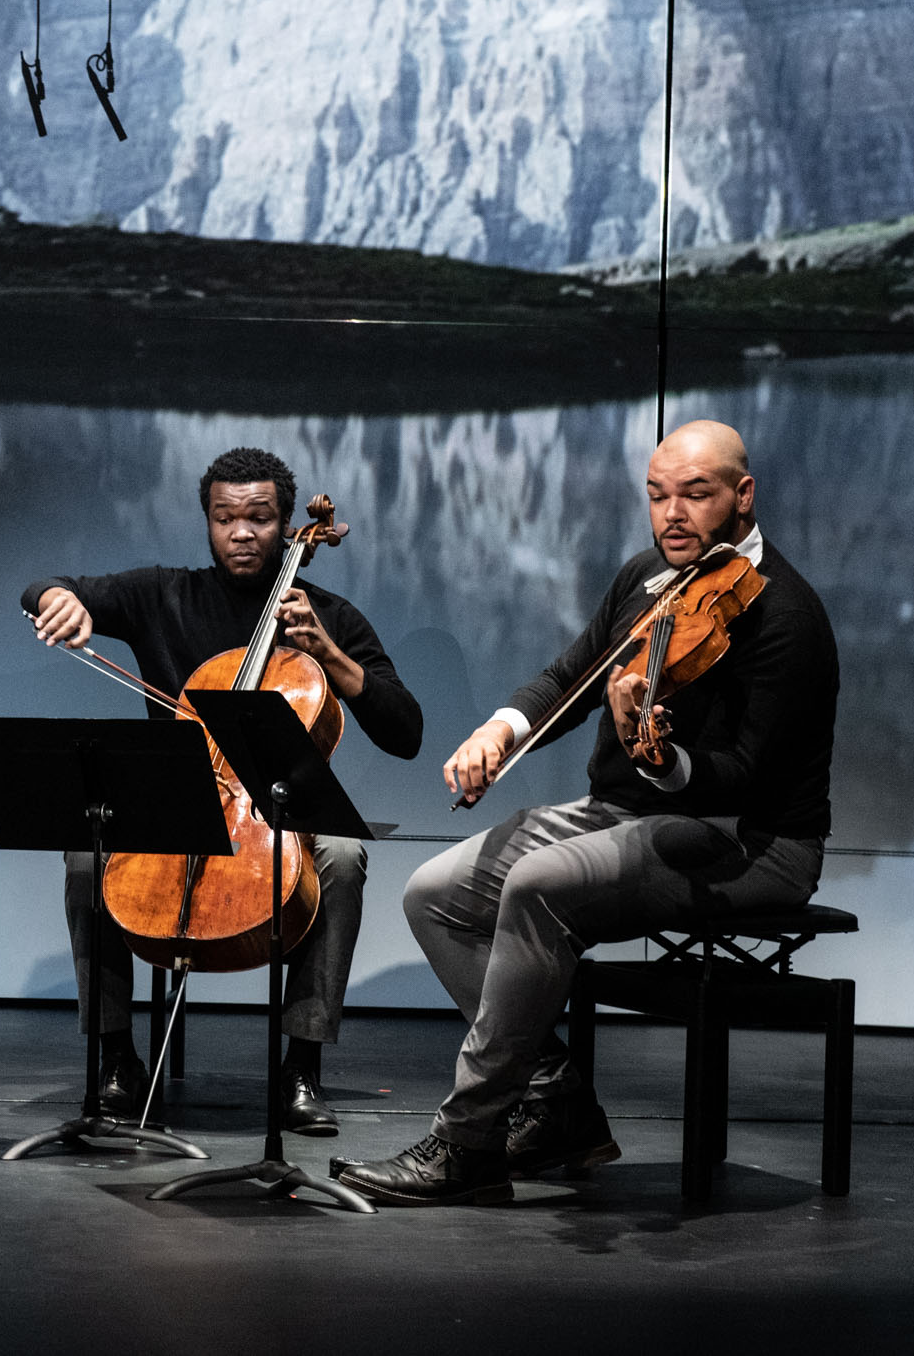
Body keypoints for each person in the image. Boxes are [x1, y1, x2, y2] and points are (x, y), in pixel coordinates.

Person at [337, 420, 838, 1206]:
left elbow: (742, 779)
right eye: (656, 495)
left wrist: (659, 757)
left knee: (538, 884)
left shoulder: (785, 618)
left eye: (694, 495)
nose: (671, 514)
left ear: (743, 496)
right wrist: (498, 733)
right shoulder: (647, 576)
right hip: (621, 815)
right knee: (434, 893)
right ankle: (555, 1094)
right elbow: (569, 677)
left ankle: (468, 1143)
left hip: (750, 842)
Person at [22, 447, 423, 1135]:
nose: (241, 532)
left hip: (279, 810)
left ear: (286, 523)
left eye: (259, 518)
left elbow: (404, 729)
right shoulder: (162, 593)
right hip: (173, 800)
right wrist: (54, 599)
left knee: (343, 857)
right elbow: (42, 584)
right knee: (85, 855)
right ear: (207, 521)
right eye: (224, 517)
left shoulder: (328, 616)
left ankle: (301, 1066)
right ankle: (114, 1056)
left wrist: (329, 657)